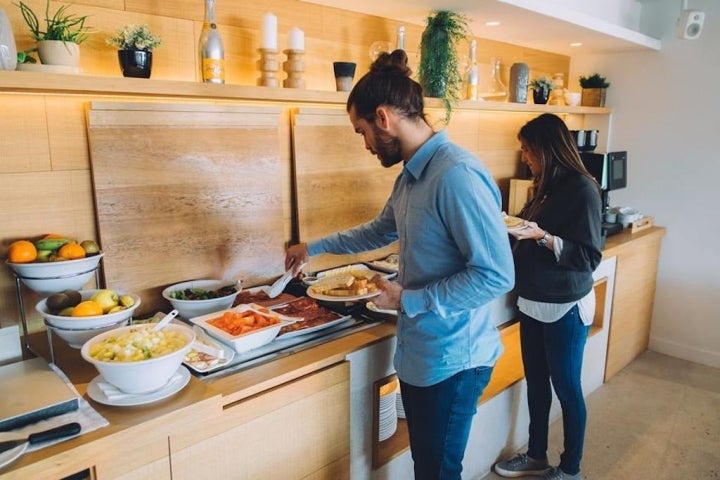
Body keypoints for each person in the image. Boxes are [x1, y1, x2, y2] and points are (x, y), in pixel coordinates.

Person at [284, 50, 514, 479]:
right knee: (427, 466)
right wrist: (311, 247)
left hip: (455, 359)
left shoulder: (456, 174)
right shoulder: (412, 174)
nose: (366, 144)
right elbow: (378, 232)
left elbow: (495, 275)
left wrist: (406, 298)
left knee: (438, 471)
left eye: (362, 132)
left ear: (384, 118)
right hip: (423, 354)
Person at [494, 113, 603, 480]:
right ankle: (536, 455)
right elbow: (525, 229)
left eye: (528, 150)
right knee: (536, 384)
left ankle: (571, 467)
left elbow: (589, 256)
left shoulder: (584, 190)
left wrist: (541, 237)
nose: (524, 157)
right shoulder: (545, 184)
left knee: (568, 390)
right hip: (533, 300)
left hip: (565, 306)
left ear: (548, 149)